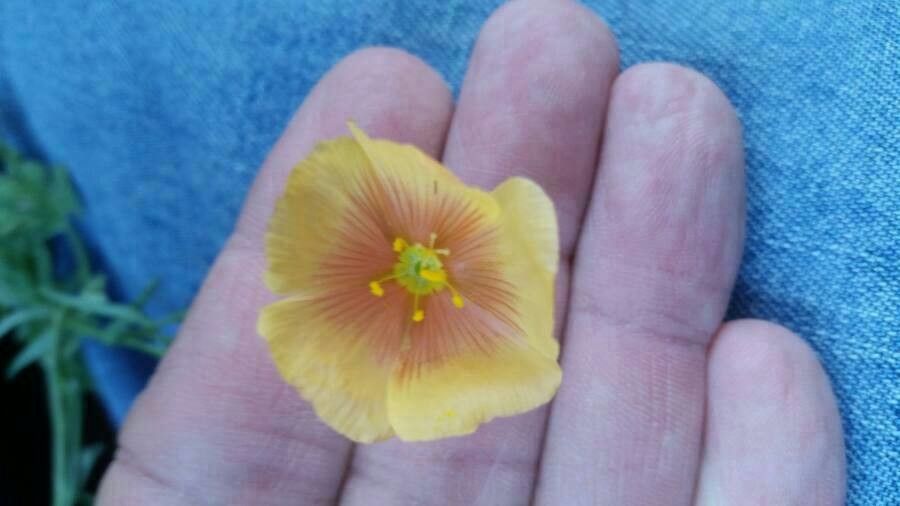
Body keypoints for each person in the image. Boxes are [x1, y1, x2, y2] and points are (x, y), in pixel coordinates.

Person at [95, 1, 845, 504]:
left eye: (418, 266)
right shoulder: (352, 299)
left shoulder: (477, 243)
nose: (420, 270)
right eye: (416, 269)